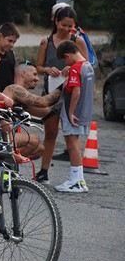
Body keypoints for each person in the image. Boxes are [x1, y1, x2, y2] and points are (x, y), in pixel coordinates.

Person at [34, 4, 88, 184]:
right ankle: (43, 171)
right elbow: (38, 66)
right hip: (51, 92)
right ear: (56, 21)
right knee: (50, 132)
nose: (66, 29)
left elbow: (86, 64)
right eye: (63, 24)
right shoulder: (46, 41)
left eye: (70, 26)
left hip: (72, 91)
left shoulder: (77, 41)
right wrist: (47, 70)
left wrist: (71, 68)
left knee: (72, 135)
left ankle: (75, 177)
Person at [53, 40, 94, 192]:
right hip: (84, 111)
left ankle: (75, 181)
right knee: (76, 143)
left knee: (72, 144)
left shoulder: (76, 68)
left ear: (67, 55)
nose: (65, 63)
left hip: (74, 113)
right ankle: (79, 179)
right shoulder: (88, 66)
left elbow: (76, 91)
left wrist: (70, 112)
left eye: (64, 60)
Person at [2, 62, 63, 160]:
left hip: (6, 133)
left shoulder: (22, 98)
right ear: (23, 74)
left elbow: (46, 111)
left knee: (40, 150)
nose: (37, 79)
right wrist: (63, 85)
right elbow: (43, 102)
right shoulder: (14, 89)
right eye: (34, 74)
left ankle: (5, 162)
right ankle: (3, 158)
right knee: (34, 140)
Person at [0, 22, 20, 92]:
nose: (12, 45)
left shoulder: (11, 54)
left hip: (9, 95)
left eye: (14, 42)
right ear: (0, 36)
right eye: (10, 41)